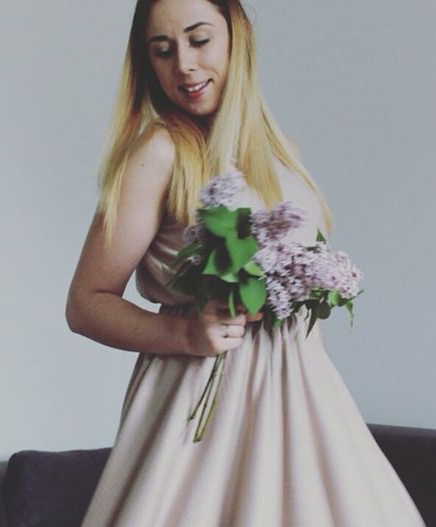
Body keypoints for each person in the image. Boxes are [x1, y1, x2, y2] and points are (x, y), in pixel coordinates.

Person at [65, 0, 425, 525]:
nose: (184, 64)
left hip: (303, 403)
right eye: (162, 50)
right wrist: (186, 334)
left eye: (199, 40)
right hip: (201, 410)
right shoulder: (160, 153)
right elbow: (85, 304)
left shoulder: (284, 153)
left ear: (239, 37)